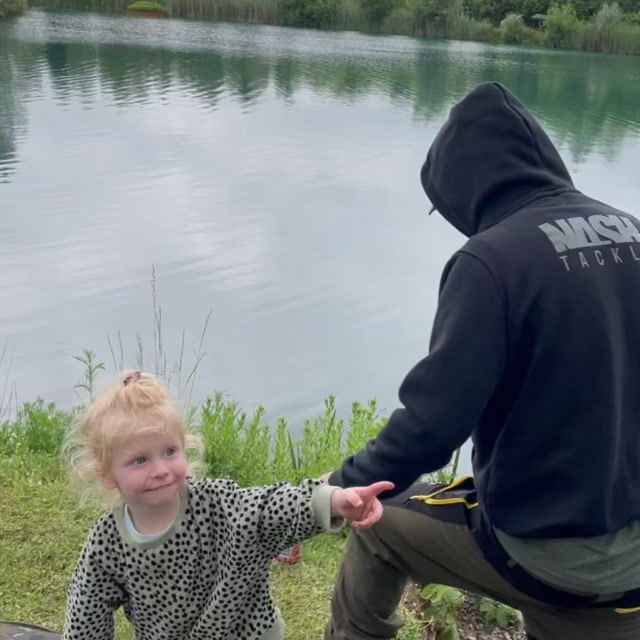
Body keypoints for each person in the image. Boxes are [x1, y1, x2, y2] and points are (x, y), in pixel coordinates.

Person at [323, 81, 640, 640]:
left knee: (377, 526)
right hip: (631, 547)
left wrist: (330, 493)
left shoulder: (490, 261)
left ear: (463, 186)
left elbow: (429, 428)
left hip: (554, 557)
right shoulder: (631, 230)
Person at [60, 370, 393, 640]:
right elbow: (86, 610)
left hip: (246, 631)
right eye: (140, 460)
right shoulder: (107, 542)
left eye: (169, 452)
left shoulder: (217, 502)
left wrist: (331, 500)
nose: (160, 469)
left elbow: (268, 508)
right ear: (107, 475)